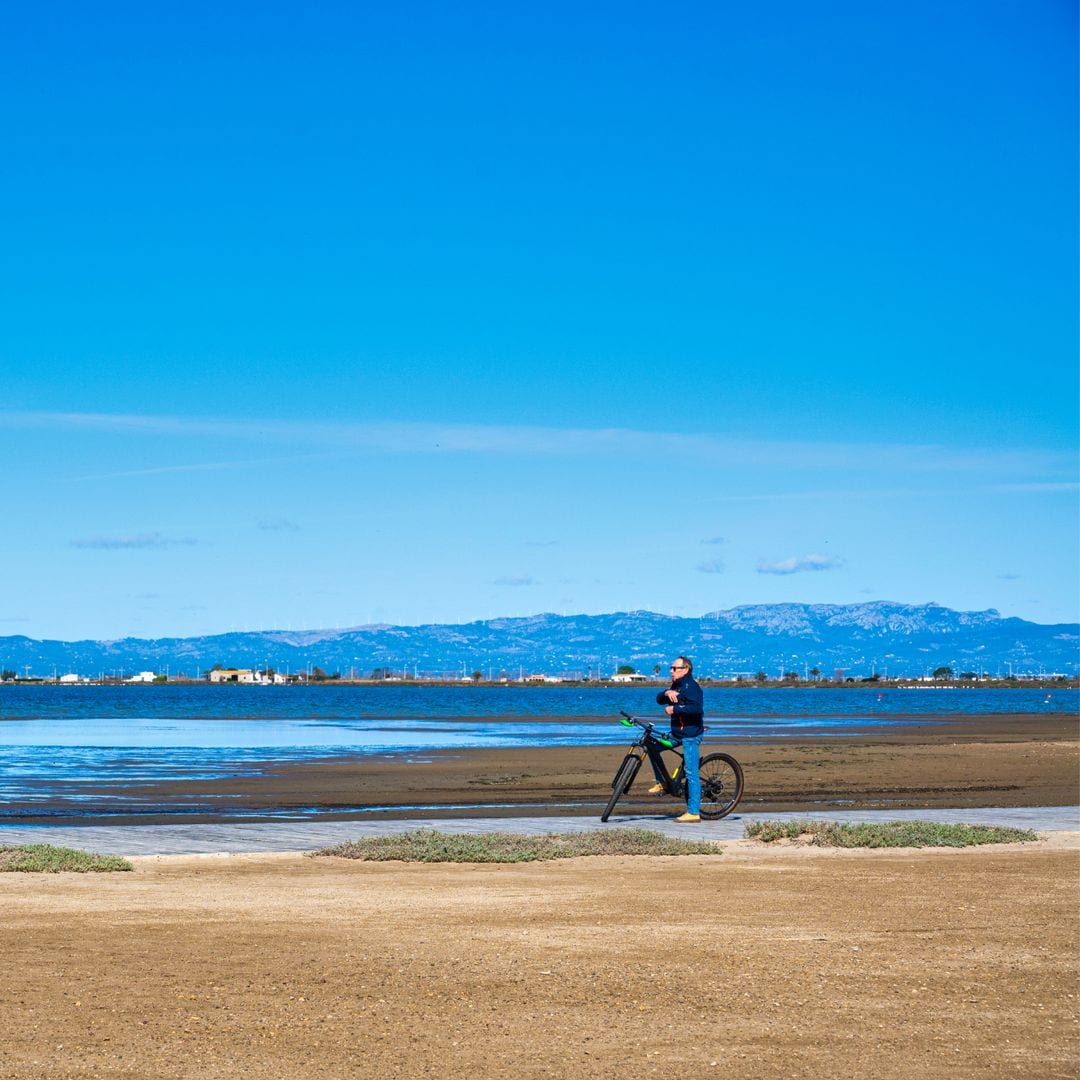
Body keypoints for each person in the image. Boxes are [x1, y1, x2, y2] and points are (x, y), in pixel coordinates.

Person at [649, 655, 704, 822]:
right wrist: (667, 692)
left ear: (685, 670)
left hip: (690, 736)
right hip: (676, 734)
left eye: (675, 668)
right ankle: (663, 782)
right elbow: (659, 700)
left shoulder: (691, 687)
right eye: (671, 668)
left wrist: (675, 709)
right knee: (651, 745)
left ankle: (693, 812)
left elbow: (696, 708)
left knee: (691, 773)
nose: (671, 671)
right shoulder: (677, 686)